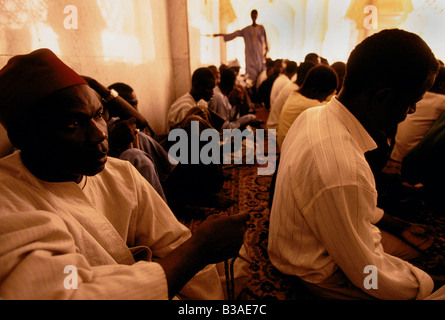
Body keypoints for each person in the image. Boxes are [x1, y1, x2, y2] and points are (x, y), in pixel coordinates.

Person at [0, 48, 250, 300]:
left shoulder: (120, 174)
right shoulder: (9, 202)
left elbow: (173, 241)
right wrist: (199, 250)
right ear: (23, 137)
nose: (99, 134)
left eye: (98, 115)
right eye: (72, 124)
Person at [268, 29, 443, 300]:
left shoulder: (312, 115)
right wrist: (429, 283)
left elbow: (348, 207)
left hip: (298, 245)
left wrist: (398, 226)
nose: (412, 113)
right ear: (382, 98)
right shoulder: (344, 168)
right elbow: (369, 275)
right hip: (315, 273)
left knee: (412, 251)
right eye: (411, 104)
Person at [384, 66, 445, 174]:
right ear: (441, 85)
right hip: (413, 165)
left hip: (394, 158)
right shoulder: (441, 102)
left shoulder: (417, 97)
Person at [276, 65, 338, 148]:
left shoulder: (295, 96)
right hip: (290, 153)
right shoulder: (305, 104)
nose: (323, 100)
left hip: (286, 147)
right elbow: (335, 108)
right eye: (324, 96)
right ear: (314, 91)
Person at [214, 9, 269, 86]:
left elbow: (266, 42)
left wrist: (265, 53)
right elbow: (236, 33)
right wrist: (221, 35)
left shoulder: (261, 28)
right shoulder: (246, 29)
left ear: (257, 16)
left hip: (259, 56)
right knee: (251, 75)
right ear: (251, 16)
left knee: (260, 74)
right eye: (252, 15)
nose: (254, 16)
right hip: (249, 56)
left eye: (255, 15)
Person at [267, 61, 315, 130]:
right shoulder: (293, 91)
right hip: (274, 132)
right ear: (302, 75)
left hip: (274, 127)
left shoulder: (291, 86)